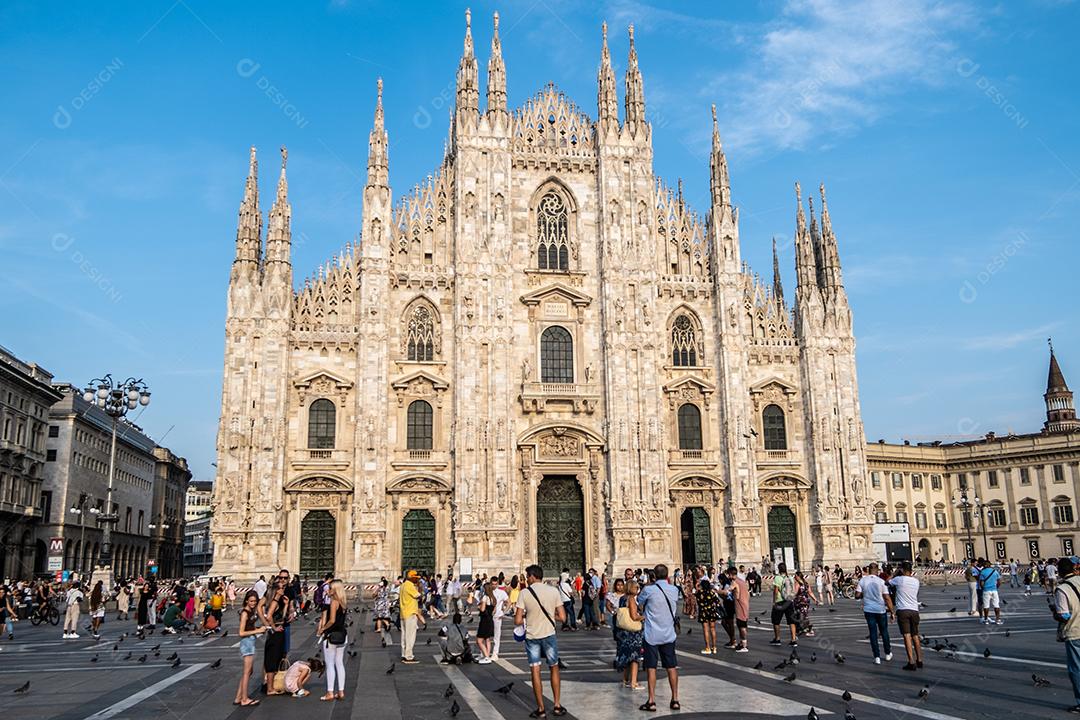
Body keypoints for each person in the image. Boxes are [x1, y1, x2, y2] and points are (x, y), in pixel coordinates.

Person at [515, 564, 567, 718]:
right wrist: (550, 617)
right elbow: (563, 618)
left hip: (532, 637)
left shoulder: (524, 593)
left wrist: (527, 617)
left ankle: (541, 709)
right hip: (549, 635)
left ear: (532, 576)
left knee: (535, 671)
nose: (526, 579)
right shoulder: (553, 591)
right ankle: (557, 705)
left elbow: (517, 620)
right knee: (554, 667)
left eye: (527, 576)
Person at [636, 564, 680, 712]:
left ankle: (652, 700)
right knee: (671, 667)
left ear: (654, 575)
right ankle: (675, 699)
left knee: (651, 668)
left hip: (651, 635)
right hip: (668, 634)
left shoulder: (648, 590)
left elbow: (639, 602)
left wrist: (649, 584)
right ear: (667, 575)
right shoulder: (674, 590)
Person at [1052, 557, 1080, 714]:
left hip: (1075, 632)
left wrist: (1055, 614)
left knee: (1076, 668)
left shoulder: (1062, 589)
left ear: (1060, 572)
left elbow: (1064, 616)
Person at [316, 579, 348, 701]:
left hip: (331, 636)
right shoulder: (343, 602)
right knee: (339, 663)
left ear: (335, 589)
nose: (327, 590)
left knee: (330, 664)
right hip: (342, 635)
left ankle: (330, 692)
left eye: (330, 588)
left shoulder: (334, 602)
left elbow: (332, 620)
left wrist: (323, 629)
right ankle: (341, 691)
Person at [856, 561, 894, 665]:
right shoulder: (881, 581)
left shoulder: (863, 581)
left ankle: (876, 657)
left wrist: (864, 593)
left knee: (873, 633)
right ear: (877, 570)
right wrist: (892, 612)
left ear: (868, 570)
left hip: (868, 610)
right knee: (884, 631)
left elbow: (857, 595)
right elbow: (887, 598)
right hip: (880, 610)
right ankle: (887, 653)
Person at [889, 561, 923, 671]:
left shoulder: (899, 579)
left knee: (907, 636)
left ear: (902, 570)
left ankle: (911, 661)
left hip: (903, 610)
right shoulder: (916, 581)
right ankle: (920, 660)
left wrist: (895, 574)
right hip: (914, 610)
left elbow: (887, 582)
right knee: (915, 635)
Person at [235, 590, 266, 707]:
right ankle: (244, 699)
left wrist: (259, 628)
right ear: (246, 600)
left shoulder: (250, 612)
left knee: (249, 671)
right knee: (247, 672)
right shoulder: (245, 613)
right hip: (246, 643)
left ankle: (239, 697)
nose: (253, 603)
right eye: (251, 601)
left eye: (255, 601)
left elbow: (249, 627)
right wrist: (257, 631)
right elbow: (241, 632)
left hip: (250, 642)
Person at [614, 579, 644, 690]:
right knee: (635, 657)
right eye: (636, 587)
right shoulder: (631, 599)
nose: (638, 589)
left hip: (623, 631)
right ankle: (634, 682)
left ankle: (625, 680)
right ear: (632, 588)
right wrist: (644, 616)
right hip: (632, 633)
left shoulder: (622, 598)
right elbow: (634, 616)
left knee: (626, 656)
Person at [262, 580, 290, 695]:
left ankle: (271, 686)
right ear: (276, 590)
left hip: (280, 632)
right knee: (272, 659)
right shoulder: (274, 601)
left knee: (276, 657)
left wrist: (287, 605)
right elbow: (269, 616)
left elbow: (282, 617)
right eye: (281, 587)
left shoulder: (279, 601)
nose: (283, 589)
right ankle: (269, 688)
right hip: (275, 634)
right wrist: (273, 627)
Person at [769, 563, 798, 647]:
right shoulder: (790, 578)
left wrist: (774, 602)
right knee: (791, 621)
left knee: (776, 621)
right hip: (789, 601)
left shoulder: (777, 578)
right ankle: (793, 639)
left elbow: (775, 590)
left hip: (780, 601)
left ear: (778, 569)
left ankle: (777, 639)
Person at [399, 569, 423, 664]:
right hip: (410, 613)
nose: (417, 580)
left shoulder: (403, 585)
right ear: (411, 578)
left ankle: (404, 654)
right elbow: (418, 596)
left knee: (404, 635)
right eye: (416, 578)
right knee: (410, 636)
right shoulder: (410, 585)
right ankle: (409, 656)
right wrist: (420, 588)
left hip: (403, 613)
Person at [694, 578, 721, 655]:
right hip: (712, 612)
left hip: (703, 613)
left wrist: (697, 587)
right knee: (713, 629)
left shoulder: (699, 593)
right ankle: (714, 647)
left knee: (706, 630)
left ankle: (708, 647)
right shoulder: (712, 593)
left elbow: (696, 599)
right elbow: (717, 602)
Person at [978, 558, 1003, 625]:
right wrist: (996, 587)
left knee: (986, 606)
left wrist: (983, 588)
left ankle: (986, 619)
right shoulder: (995, 571)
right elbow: (999, 581)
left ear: (984, 565)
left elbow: (981, 583)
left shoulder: (982, 572)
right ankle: (997, 619)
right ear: (989, 565)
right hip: (994, 590)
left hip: (986, 590)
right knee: (996, 605)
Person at [476, 579, 496, 663]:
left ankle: (486, 657)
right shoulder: (493, 598)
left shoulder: (485, 597)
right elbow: (494, 611)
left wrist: (479, 607)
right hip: (490, 620)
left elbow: (483, 609)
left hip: (484, 620)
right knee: (487, 639)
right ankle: (487, 656)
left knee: (479, 640)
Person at [491, 576, 509, 660]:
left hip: (497, 616)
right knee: (485, 635)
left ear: (497, 583)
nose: (494, 585)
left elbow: (509, 602)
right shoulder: (488, 591)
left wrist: (504, 612)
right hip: (488, 616)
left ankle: (495, 653)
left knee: (496, 635)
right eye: (493, 584)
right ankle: (484, 652)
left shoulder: (501, 592)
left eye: (495, 584)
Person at [373, 578, 394, 647]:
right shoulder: (387, 589)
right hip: (385, 603)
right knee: (383, 616)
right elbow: (389, 595)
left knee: (379, 617)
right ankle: (387, 624)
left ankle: (379, 628)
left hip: (379, 603)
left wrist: (377, 588)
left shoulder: (379, 589)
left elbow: (374, 595)